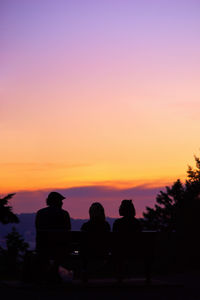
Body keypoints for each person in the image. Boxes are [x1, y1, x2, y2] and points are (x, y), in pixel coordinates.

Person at [35, 192, 71, 283]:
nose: (62, 203)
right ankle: (54, 274)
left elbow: (38, 229)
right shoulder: (64, 214)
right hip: (60, 248)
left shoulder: (40, 213)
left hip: (43, 248)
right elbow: (68, 230)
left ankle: (47, 275)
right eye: (61, 201)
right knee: (59, 251)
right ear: (58, 202)